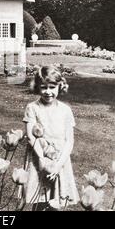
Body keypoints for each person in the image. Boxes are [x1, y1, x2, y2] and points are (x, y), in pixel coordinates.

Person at [22, 65, 79, 210]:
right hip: (39, 158)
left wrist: (58, 165)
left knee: (57, 200)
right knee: (39, 198)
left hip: (60, 160)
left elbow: (69, 141)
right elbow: (31, 136)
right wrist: (42, 160)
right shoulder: (32, 108)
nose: (48, 92)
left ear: (60, 87)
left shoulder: (65, 110)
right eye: (43, 87)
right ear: (37, 87)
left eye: (52, 87)